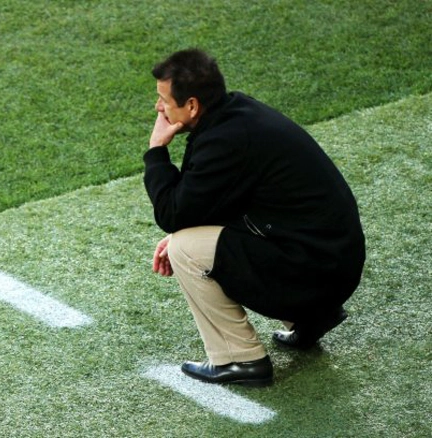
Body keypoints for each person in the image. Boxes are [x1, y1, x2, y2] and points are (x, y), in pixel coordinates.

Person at [144, 48, 366, 387]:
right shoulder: (236, 117)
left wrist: (157, 151)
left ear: (191, 105)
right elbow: (207, 202)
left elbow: (172, 212)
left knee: (186, 250)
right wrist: (178, 232)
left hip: (318, 270)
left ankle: (239, 359)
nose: (158, 107)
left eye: (163, 100)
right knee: (184, 241)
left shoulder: (225, 140)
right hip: (330, 260)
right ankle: (310, 318)